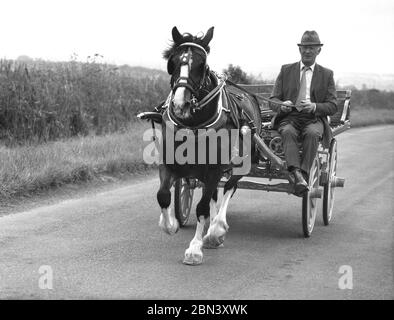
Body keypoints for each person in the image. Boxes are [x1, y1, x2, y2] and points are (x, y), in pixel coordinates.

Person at [270, 30, 337, 196]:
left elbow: (333, 105)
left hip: (313, 118)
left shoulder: (327, 74)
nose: (307, 51)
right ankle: (297, 174)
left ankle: (304, 174)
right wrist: (281, 105)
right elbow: (273, 100)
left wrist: (315, 106)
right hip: (290, 117)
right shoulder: (286, 70)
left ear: (318, 50)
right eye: (304, 48)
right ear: (299, 49)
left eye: (311, 48)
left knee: (313, 133)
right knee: (287, 131)